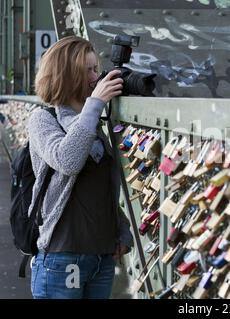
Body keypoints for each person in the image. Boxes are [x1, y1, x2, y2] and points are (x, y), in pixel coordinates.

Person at [27, 36, 133, 299]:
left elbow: (100, 189)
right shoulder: (43, 119)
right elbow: (68, 161)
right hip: (62, 258)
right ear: (67, 74)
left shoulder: (93, 125)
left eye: (96, 68)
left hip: (101, 257)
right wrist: (95, 105)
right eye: (88, 70)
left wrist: (122, 230)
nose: (96, 76)